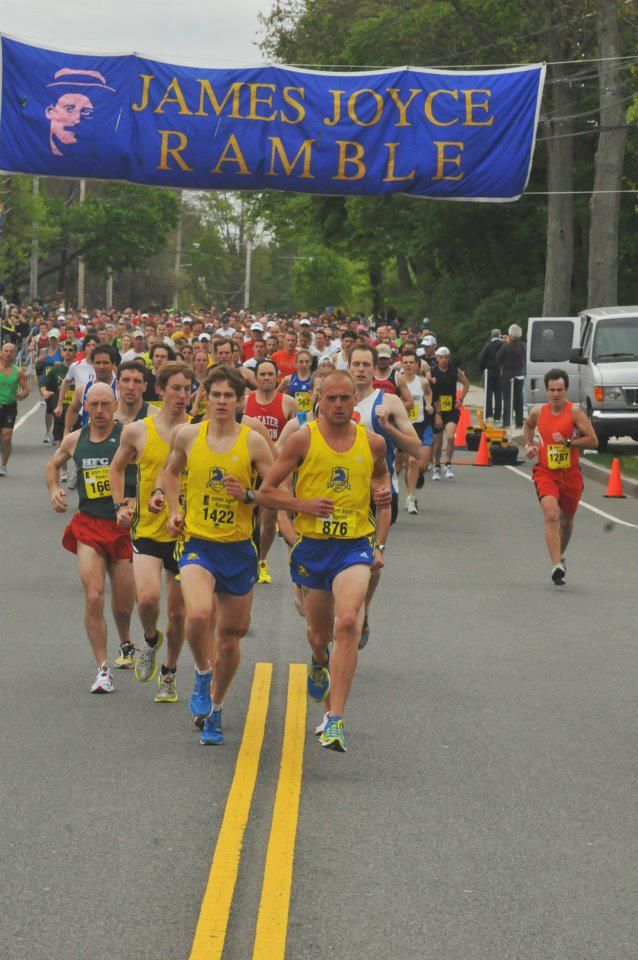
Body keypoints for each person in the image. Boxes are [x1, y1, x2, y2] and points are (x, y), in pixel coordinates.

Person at [258, 370, 391, 753]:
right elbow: (266, 492)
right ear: (318, 399)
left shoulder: (373, 443)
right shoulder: (303, 440)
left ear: (355, 401)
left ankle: (335, 719)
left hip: (353, 547)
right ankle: (319, 660)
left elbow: (381, 481)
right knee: (319, 636)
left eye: (344, 399)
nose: (337, 405)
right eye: (330, 399)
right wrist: (301, 506)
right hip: (314, 547)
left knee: (347, 622)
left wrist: (381, 506)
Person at [163, 366, 274, 745]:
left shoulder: (254, 442)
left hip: (239, 548)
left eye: (230, 396)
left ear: (240, 401)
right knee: (197, 613)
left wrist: (248, 494)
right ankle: (201, 670)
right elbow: (169, 474)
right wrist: (175, 509)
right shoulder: (189, 435)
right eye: (216, 395)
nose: (222, 401)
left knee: (230, 638)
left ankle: (216, 707)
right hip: (199, 544)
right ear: (205, 397)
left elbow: (278, 490)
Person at [110, 361, 194, 696]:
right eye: (175, 388)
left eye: (188, 389)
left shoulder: (195, 432)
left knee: (177, 612)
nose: (182, 395)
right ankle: (149, 638)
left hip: (185, 533)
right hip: (146, 528)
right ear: (159, 390)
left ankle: (170, 672)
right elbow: (117, 470)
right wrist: (120, 505)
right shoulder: (137, 430)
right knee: (146, 599)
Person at [45, 383, 135, 693]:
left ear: (114, 405)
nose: (98, 411)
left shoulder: (128, 435)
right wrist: (54, 489)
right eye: (92, 405)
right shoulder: (74, 440)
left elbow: (154, 469)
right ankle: (102, 668)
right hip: (89, 526)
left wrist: (135, 503)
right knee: (94, 595)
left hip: (122, 527)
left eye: (104, 405)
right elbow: (52, 464)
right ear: (85, 407)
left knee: (124, 607)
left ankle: (126, 641)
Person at [349, 343, 421, 648]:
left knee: (371, 562)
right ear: (348, 365)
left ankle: (362, 610)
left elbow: (415, 447)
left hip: (379, 494)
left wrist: (389, 427)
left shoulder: (388, 401)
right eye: (357, 364)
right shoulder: (335, 398)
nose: (362, 369)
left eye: (368, 364)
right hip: (339, 495)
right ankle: (341, 617)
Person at [523, 369, 597, 586]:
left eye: (560, 390)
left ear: (566, 391)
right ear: (546, 391)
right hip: (546, 473)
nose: (556, 394)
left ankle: (560, 556)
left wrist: (568, 442)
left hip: (571, 475)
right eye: (552, 390)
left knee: (566, 521)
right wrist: (528, 445)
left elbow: (593, 441)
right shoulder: (539, 412)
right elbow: (528, 426)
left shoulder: (574, 413)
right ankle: (556, 565)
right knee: (551, 515)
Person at [245, 359, 298, 584]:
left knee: (268, 518)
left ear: (277, 377)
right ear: (256, 378)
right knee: (247, 515)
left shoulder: (288, 402)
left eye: (270, 374)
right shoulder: (246, 402)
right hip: (249, 464)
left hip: (277, 465)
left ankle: (261, 561)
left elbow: (297, 434)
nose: (266, 378)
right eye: (262, 374)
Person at [400, 347, 435, 514]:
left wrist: (428, 404)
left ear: (417, 365)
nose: (408, 365)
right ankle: (391, 493)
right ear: (401, 364)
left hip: (417, 425)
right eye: (405, 362)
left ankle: (410, 498)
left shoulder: (422, 382)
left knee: (414, 462)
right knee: (398, 466)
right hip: (399, 426)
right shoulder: (398, 381)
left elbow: (428, 394)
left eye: (411, 363)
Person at [430, 347, 470, 480]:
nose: (443, 360)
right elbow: (428, 391)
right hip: (437, 410)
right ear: (436, 358)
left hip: (451, 409)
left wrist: (460, 399)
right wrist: (435, 412)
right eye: (441, 357)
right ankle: (436, 466)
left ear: (449, 358)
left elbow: (466, 383)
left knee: (451, 436)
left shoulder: (454, 371)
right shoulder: (432, 372)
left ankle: (448, 464)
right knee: (438, 442)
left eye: (446, 357)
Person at [0, 342, 30, 476]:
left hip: (9, 407)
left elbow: (26, 389)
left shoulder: (18, 371)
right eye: (5, 351)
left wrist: (22, 395)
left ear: (14, 354)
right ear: (1, 353)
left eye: (10, 351)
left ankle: (3, 465)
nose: (7, 353)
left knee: (6, 437)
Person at [496, 323, 526, 430]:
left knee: (507, 399)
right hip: (520, 374)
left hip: (507, 375)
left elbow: (498, 359)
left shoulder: (506, 346)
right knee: (519, 399)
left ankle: (506, 422)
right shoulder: (523, 345)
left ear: (510, 334)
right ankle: (519, 423)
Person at [278, 349, 314, 424]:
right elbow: (276, 394)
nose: (304, 364)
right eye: (301, 362)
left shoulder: (315, 378)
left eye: (307, 361)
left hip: (310, 417)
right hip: (294, 418)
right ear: (295, 363)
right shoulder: (289, 379)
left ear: (311, 362)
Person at [478, 328, 503, 422]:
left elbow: (482, 358)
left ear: (492, 335)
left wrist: (482, 369)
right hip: (500, 372)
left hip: (489, 372)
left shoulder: (488, 346)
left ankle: (489, 415)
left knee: (488, 395)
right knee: (498, 395)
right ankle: (497, 416)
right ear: (499, 335)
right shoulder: (503, 345)